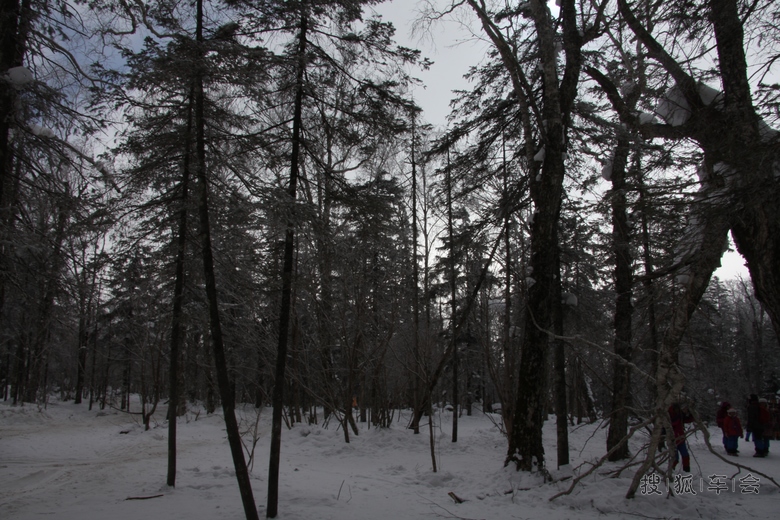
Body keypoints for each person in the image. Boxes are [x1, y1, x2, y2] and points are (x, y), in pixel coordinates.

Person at [669, 403, 694, 471]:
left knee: (685, 454)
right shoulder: (670, 416)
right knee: (675, 457)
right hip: (673, 439)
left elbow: (688, 420)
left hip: (681, 438)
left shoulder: (680, 415)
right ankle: (671, 469)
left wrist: (690, 414)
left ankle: (686, 469)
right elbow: (673, 423)